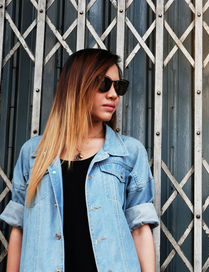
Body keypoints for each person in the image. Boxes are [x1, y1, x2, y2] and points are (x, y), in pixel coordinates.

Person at [0, 48, 159, 272]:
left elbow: (141, 230)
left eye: (118, 86)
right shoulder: (32, 154)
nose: (113, 94)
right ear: (77, 86)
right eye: (104, 84)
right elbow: (19, 229)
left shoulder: (129, 153)